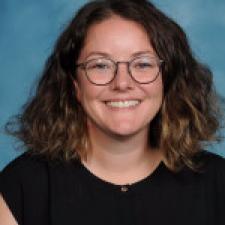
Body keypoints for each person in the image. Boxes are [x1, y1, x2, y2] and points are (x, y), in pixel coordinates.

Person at [0, 0, 224, 224]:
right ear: (75, 86)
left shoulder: (218, 181)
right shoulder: (21, 187)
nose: (122, 83)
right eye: (101, 65)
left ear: (167, 80)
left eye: (143, 64)